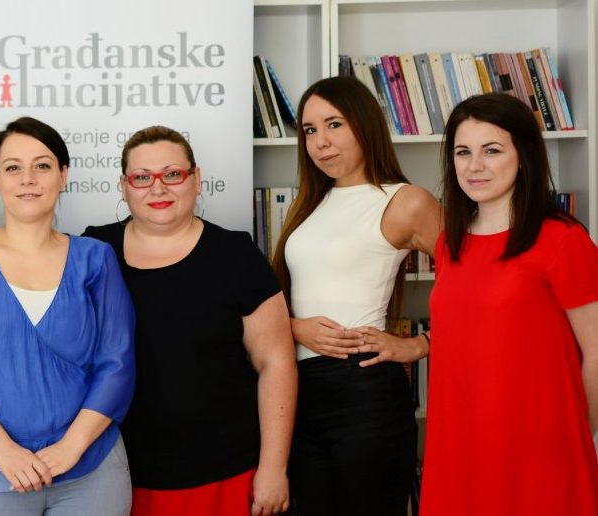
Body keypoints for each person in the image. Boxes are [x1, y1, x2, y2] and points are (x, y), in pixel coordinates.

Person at [83, 125, 296, 516]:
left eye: (173, 174)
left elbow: (276, 363)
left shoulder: (236, 256)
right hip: (118, 476)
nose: (158, 188)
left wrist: (273, 468)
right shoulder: (94, 251)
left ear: (196, 180)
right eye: (143, 177)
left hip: (224, 473)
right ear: (124, 186)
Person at [0, 116, 136, 515]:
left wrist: (71, 448)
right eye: (13, 168)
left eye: (42, 165)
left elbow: (117, 364)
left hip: (92, 470)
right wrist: (4, 451)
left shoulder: (96, 258)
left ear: (63, 175)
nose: (28, 178)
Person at [270, 76, 441, 516]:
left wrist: (419, 345)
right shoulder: (309, 204)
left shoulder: (404, 201)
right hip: (299, 392)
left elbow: (481, 284)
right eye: (309, 131)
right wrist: (292, 327)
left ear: (365, 124)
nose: (321, 142)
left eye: (334, 125)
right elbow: (284, 303)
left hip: (363, 389)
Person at [420, 93, 598, 514]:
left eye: (492, 150)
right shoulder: (450, 243)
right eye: (463, 152)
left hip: (540, 453)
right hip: (458, 449)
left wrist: (574, 431)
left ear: (526, 154)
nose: (474, 165)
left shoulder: (563, 240)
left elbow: (596, 350)